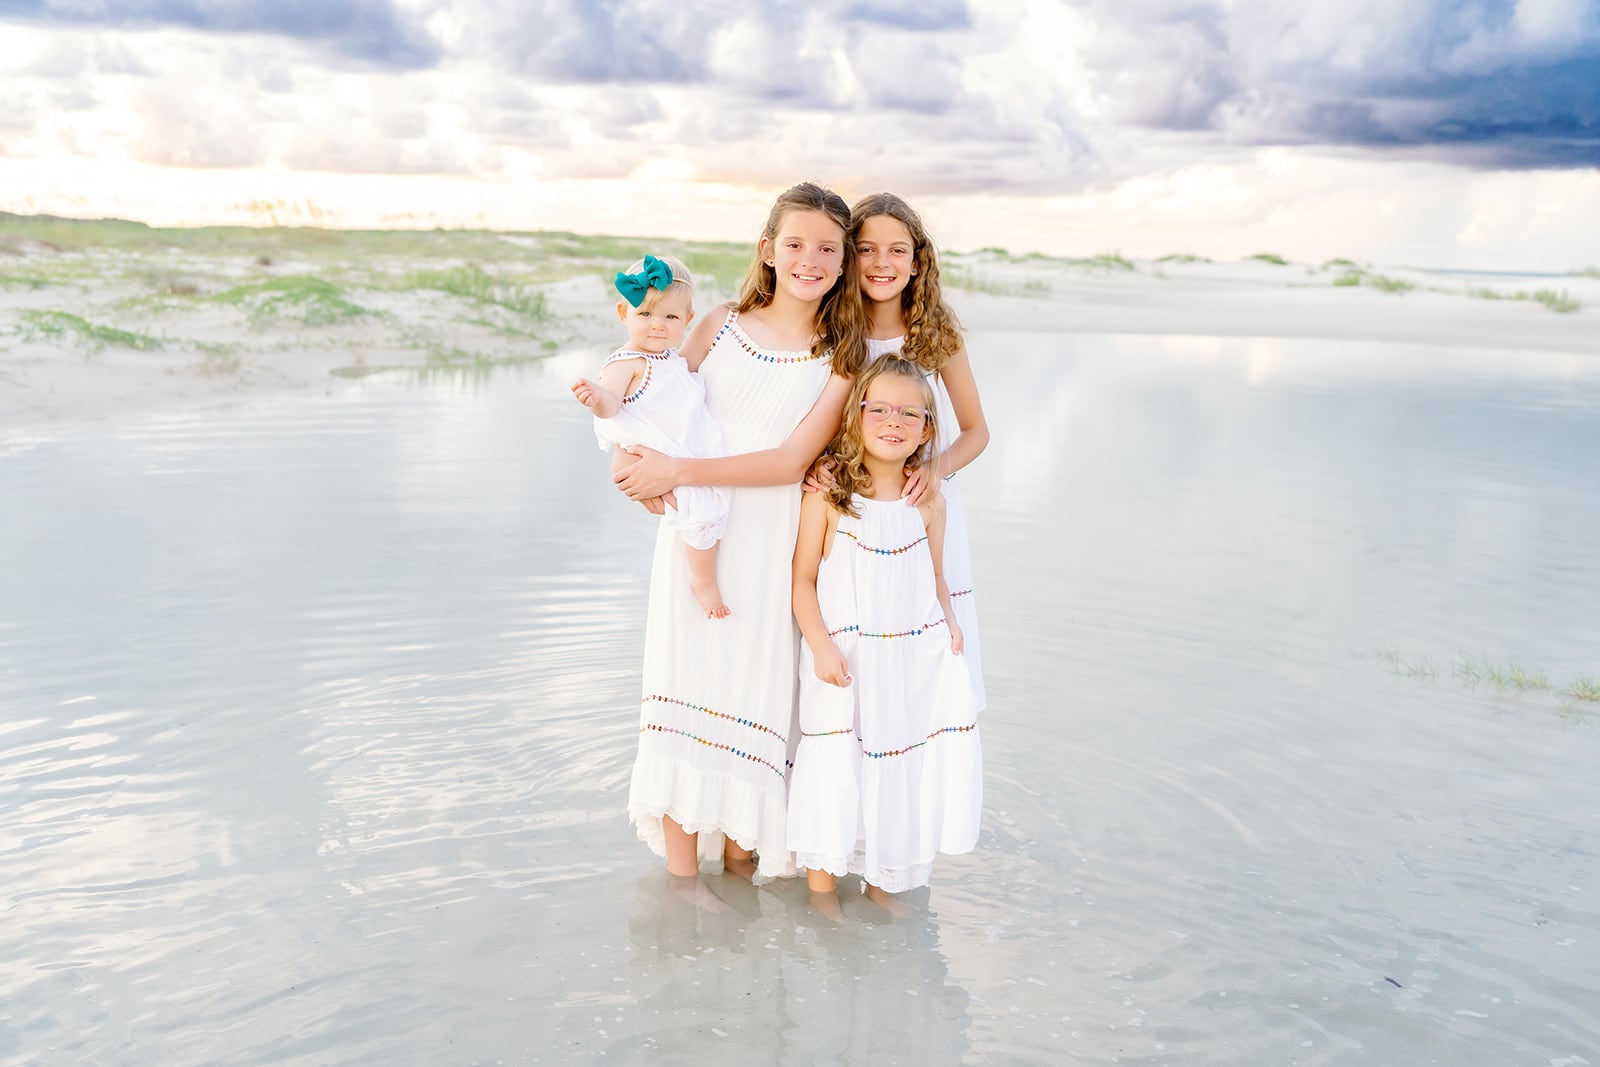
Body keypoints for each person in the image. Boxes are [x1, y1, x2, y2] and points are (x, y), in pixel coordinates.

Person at [612, 182, 867, 884]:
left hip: (770, 542)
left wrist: (677, 468)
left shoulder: (841, 357)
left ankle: (742, 863)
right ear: (767, 250)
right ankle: (683, 882)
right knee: (684, 682)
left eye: (826, 248)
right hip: (699, 536)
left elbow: (790, 461)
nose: (808, 259)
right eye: (794, 244)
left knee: (756, 697)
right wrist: (633, 465)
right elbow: (653, 402)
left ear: (843, 263)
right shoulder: (718, 322)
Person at [788, 355, 982, 911]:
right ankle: (822, 900)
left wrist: (948, 626)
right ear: (855, 416)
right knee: (835, 765)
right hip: (842, 659)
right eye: (880, 409)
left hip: (905, 661)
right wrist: (821, 647)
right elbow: (802, 581)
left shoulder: (928, 502)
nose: (893, 421)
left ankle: (884, 883)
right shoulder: (827, 496)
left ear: (926, 429)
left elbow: (937, 577)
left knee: (897, 765)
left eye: (909, 413)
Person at [848, 192, 990, 712]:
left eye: (897, 250)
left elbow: (976, 431)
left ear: (917, 260)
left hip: (920, 505)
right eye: (866, 249)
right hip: (851, 501)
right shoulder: (835, 328)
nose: (882, 263)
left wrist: (933, 470)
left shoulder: (935, 333)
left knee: (925, 632)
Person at [572, 255, 731, 619]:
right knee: (699, 509)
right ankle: (703, 582)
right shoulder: (625, 361)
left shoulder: (670, 358)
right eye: (644, 314)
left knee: (709, 502)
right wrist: (597, 398)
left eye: (670, 317)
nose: (656, 326)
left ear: (688, 321)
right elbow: (612, 403)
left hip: (685, 444)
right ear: (622, 313)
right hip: (659, 447)